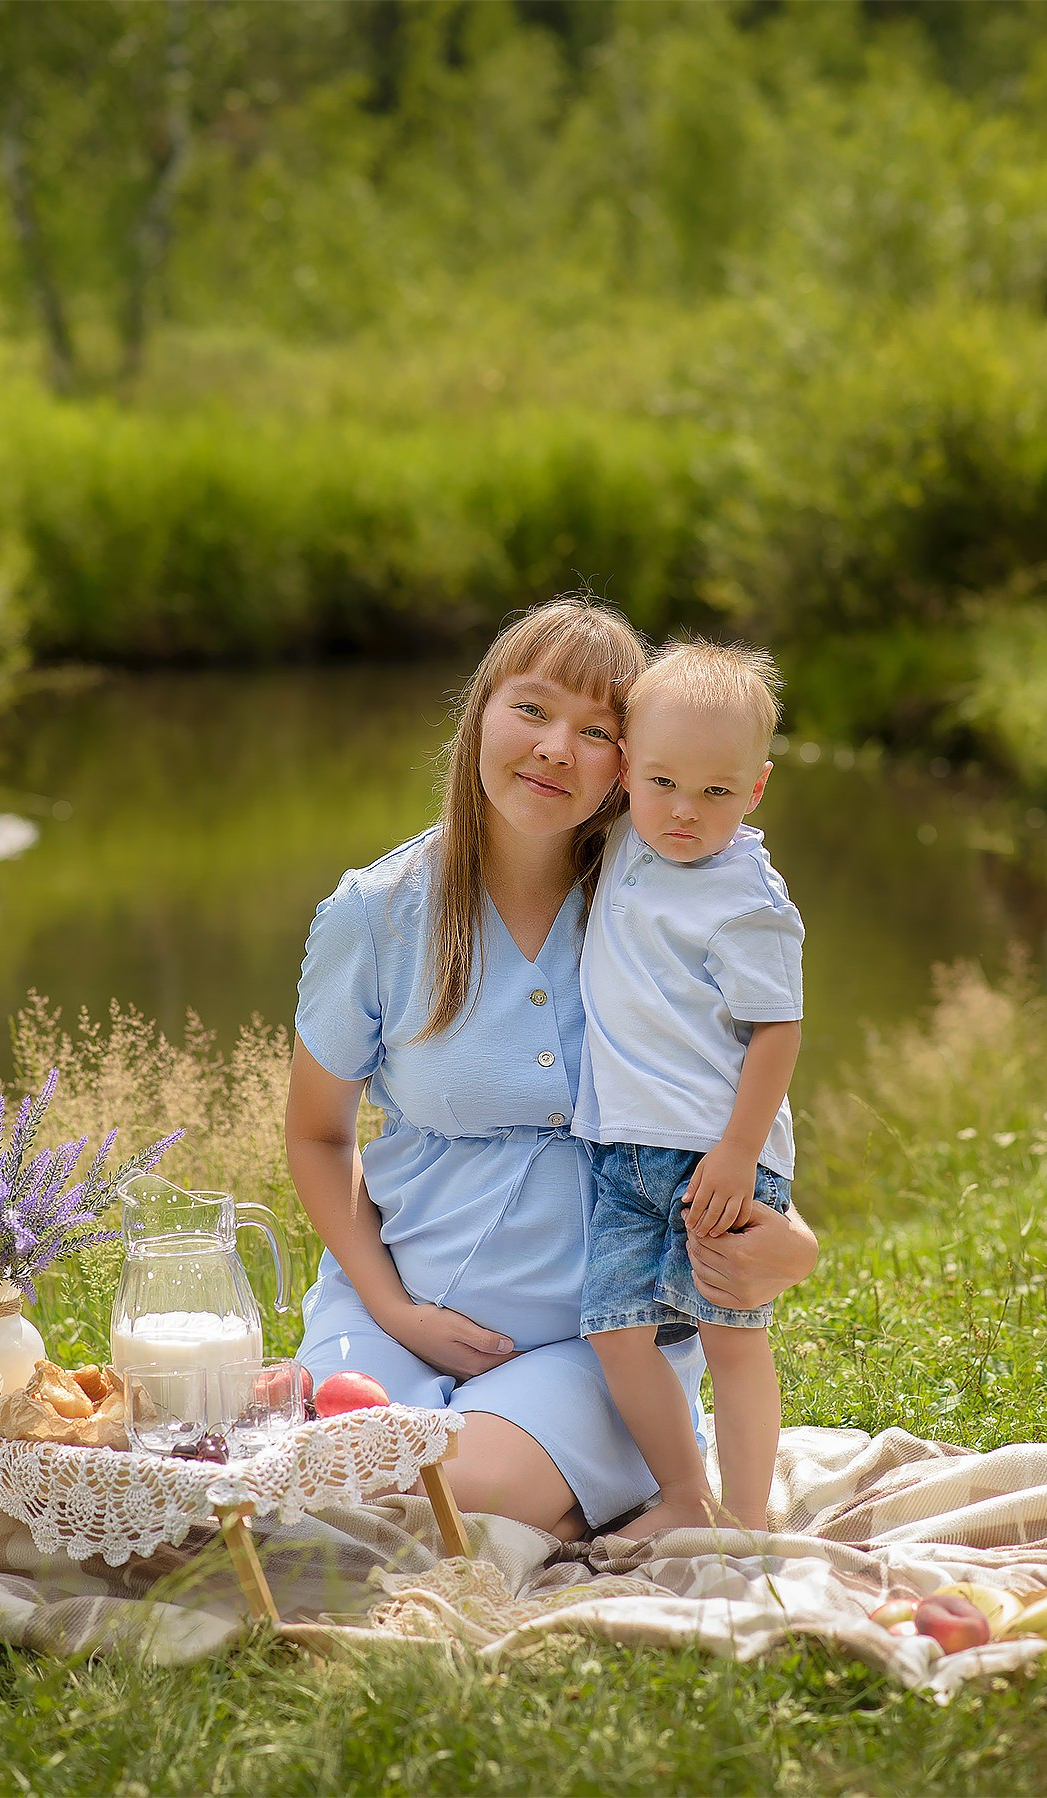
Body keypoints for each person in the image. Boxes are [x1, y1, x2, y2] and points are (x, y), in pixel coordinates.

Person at [284, 598, 818, 1542]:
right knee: (339, 1478)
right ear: (480, 711)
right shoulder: (377, 911)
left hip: (599, 1342)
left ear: (632, 758)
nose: (556, 750)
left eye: (597, 730)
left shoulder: (661, 902)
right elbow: (319, 1135)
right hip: (396, 1306)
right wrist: (395, 1311)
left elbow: (729, 1103)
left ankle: (570, 1476)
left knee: (452, 1495)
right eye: (531, 710)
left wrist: (795, 1240)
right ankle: (544, 1489)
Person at [574, 640, 804, 1535]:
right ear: (626, 771)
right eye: (663, 783)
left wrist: (741, 1153)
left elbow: (777, 1029)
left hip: (715, 1156)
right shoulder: (627, 842)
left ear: (755, 789)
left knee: (731, 1335)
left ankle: (746, 1520)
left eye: (716, 792)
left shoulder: (746, 898)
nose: (684, 813)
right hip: (622, 1151)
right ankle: (682, 1495)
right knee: (617, 1330)